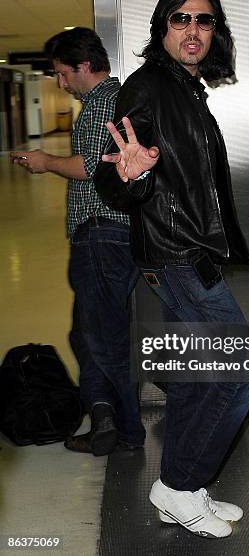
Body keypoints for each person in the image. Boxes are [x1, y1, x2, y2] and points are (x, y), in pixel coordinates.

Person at [95, 0, 249, 538]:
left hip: (185, 253)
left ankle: (181, 488)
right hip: (178, 256)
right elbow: (112, 175)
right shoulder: (147, 88)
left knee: (198, 379)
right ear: (162, 28)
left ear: (215, 32)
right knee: (239, 373)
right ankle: (178, 485)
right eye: (181, 20)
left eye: (204, 21)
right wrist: (130, 172)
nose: (193, 31)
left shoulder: (187, 88)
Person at [11, 27, 145, 456]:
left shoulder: (101, 104)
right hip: (110, 234)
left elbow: (90, 168)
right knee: (87, 333)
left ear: (84, 66)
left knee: (103, 340)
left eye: (62, 74)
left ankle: (126, 431)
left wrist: (44, 160)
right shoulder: (112, 99)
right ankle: (104, 413)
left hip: (101, 235)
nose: (60, 83)